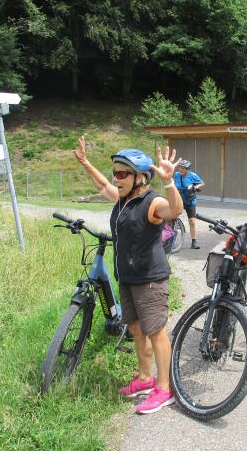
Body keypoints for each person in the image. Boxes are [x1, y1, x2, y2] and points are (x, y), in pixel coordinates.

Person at [73, 136, 184, 413]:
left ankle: (164, 389)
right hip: (128, 277)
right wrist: (86, 163)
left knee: (156, 332)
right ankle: (145, 379)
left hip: (150, 280)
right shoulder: (122, 200)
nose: (116, 179)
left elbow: (175, 209)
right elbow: (101, 185)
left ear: (139, 177)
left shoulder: (152, 202)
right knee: (135, 329)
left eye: (122, 174)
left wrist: (169, 182)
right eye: (115, 173)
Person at [174, 159, 205, 249]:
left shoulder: (192, 175)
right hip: (180, 199)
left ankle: (194, 242)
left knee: (192, 221)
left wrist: (195, 187)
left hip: (190, 201)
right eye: (180, 168)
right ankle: (169, 238)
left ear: (188, 169)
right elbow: (175, 185)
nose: (181, 170)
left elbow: (202, 183)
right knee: (172, 217)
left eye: (183, 168)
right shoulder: (176, 175)